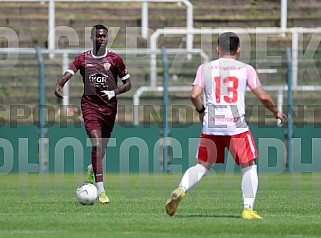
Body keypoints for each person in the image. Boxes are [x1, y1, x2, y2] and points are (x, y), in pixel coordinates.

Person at [165, 32, 287, 218]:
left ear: (217, 49)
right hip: (235, 126)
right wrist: (275, 111)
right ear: (238, 49)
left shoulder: (205, 68)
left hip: (211, 125)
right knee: (249, 166)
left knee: (202, 166)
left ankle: (181, 189)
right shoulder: (246, 69)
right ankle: (247, 208)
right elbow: (262, 96)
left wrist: (201, 112)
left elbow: (194, 95)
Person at [54, 24, 132, 204]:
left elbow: (128, 84)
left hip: (110, 109)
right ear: (92, 38)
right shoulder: (83, 59)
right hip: (90, 107)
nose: (102, 39)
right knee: (97, 144)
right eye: (99, 36)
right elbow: (68, 73)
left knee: (102, 148)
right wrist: (59, 85)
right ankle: (101, 191)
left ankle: (92, 169)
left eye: (105, 36)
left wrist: (114, 92)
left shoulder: (115, 59)